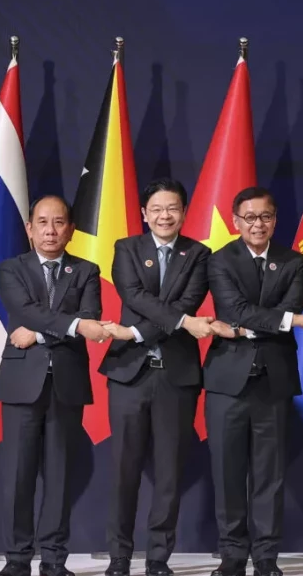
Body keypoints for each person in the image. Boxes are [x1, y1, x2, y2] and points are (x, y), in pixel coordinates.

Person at [203, 186, 303, 576]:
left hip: (274, 380)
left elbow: (290, 306)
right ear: (236, 221)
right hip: (227, 382)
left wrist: (248, 326)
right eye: (250, 217)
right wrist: (281, 321)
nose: (258, 224)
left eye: (265, 216)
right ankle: (233, 554)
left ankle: (266, 556)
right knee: (228, 473)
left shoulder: (293, 260)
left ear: (275, 220)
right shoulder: (220, 260)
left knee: (270, 474)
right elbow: (233, 309)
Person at [100, 178, 212, 576]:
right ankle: (119, 557)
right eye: (157, 209)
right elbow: (133, 296)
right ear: (144, 214)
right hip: (129, 374)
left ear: (184, 212)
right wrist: (179, 322)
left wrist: (135, 331)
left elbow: (189, 301)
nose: (165, 216)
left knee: (169, 472)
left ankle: (158, 558)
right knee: (123, 471)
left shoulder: (199, 254)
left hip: (176, 377)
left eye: (173, 208)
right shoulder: (126, 248)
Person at [0, 195, 105, 576]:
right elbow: (26, 311)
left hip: (67, 384)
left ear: (71, 229)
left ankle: (54, 559)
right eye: (42, 222)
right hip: (21, 384)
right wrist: (71, 325)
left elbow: (90, 317)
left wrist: (39, 335)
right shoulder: (12, 268)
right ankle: (17, 560)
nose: (50, 231)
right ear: (30, 228)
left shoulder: (86, 270)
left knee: (59, 476)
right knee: (18, 477)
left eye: (59, 223)